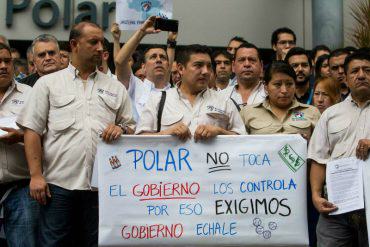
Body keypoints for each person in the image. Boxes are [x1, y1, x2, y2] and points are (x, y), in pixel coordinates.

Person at [16, 21, 135, 247]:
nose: (101, 47)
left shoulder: (115, 87)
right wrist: (36, 176)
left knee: (95, 244)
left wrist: (121, 128)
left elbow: (131, 126)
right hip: (58, 187)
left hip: (101, 189)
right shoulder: (49, 84)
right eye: (93, 42)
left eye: (102, 42)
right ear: (74, 44)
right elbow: (32, 130)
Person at [309, 51, 370, 247]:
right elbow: (319, 158)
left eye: (367, 70)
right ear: (346, 77)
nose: (361, 75)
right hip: (336, 206)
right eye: (355, 71)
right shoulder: (330, 114)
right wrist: (316, 195)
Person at [136, 44, 245, 139]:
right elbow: (139, 140)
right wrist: (166, 133)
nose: (206, 71)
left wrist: (220, 132)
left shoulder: (224, 101)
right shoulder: (157, 99)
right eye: (198, 65)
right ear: (181, 69)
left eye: (209, 66)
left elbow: (243, 140)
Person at [0, 43, 39, 247]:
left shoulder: (30, 94)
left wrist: (22, 136)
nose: (3, 66)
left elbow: (46, 133)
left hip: (21, 187)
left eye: (7, 61)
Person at [114, 16, 177, 121]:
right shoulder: (134, 86)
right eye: (153, 57)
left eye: (163, 57)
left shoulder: (176, 93)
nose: (158, 60)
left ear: (168, 65)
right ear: (143, 66)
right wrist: (142, 32)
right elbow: (120, 62)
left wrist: (171, 41)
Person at [240, 61, 320, 135]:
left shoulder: (312, 112)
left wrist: (308, 142)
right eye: (277, 84)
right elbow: (238, 145)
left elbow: (321, 146)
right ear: (266, 87)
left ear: (295, 85)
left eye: (289, 84)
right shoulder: (247, 113)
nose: (284, 90)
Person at [220, 42, 266, 111]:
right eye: (241, 60)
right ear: (233, 66)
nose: (247, 64)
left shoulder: (270, 95)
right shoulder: (221, 96)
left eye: (252, 60)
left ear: (261, 66)